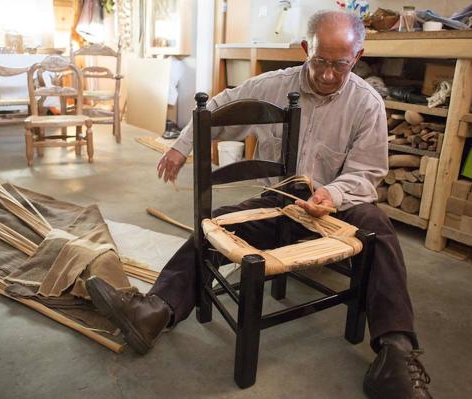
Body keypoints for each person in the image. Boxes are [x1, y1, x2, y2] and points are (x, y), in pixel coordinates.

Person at [86, 10, 432, 399]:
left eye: (341, 64)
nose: (329, 74)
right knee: (217, 223)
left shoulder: (366, 103)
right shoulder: (274, 86)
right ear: (306, 48)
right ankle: (156, 311)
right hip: (281, 200)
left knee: (378, 227)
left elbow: (367, 172)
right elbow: (216, 109)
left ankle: (395, 353)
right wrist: (181, 148)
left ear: (358, 55)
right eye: (320, 61)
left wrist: (330, 194)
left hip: (338, 204)